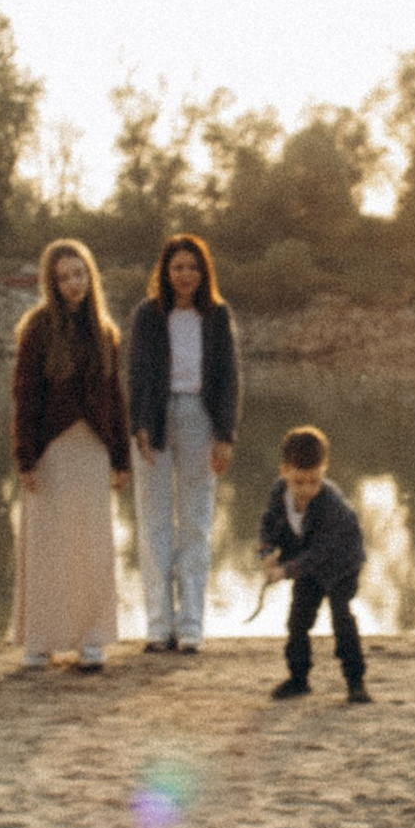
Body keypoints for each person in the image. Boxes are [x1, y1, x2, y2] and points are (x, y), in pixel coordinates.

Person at [9, 240, 132, 674]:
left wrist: (121, 459)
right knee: (46, 546)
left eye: (79, 274)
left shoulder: (105, 331)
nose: (73, 284)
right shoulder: (37, 329)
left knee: (92, 546)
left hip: (94, 450)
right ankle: (40, 642)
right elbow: (24, 397)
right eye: (64, 277)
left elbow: (117, 400)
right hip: (51, 450)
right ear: (52, 282)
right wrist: (25, 458)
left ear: (90, 277)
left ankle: (92, 640)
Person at [125, 232, 240, 657]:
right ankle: (159, 627)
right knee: (153, 524)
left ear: (203, 271)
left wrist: (225, 435)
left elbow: (229, 378)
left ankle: (191, 626)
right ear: (165, 272)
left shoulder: (217, 315)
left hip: (200, 418)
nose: (185, 274)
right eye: (178, 267)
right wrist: (138, 423)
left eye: (193, 267)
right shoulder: (147, 315)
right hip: (154, 421)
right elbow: (136, 373)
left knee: (196, 522)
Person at [258, 426, 368, 704]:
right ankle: (299, 679)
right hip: (307, 564)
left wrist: (285, 571)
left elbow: (321, 551)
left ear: (324, 470)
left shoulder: (330, 504)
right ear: (284, 471)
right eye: (299, 482)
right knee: (297, 621)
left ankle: (355, 682)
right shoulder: (278, 492)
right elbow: (269, 523)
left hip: (341, 563)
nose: (306, 490)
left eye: (314, 481)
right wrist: (267, 552)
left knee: (341, 617)